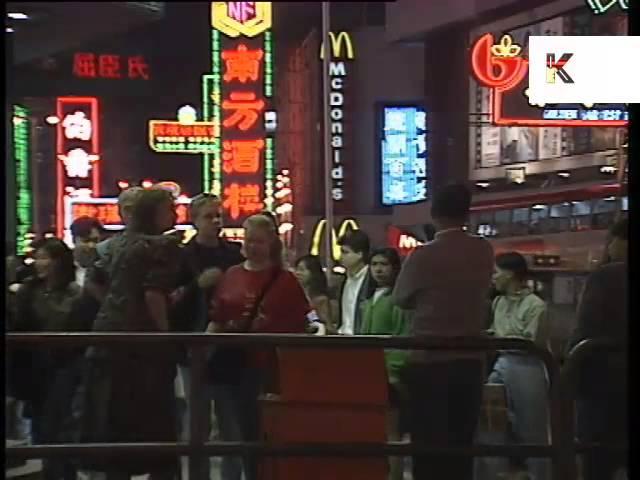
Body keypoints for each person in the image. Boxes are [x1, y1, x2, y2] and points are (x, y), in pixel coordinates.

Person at [392, 183, 494, 480]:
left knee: (428, 443)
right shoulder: (483, 250)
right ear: (467, 212)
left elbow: (401, 298)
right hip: (470, 360)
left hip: (429, 360)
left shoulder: (423, 255)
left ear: (435, 213)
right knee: (461, 442)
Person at [79, 188, 181, 480]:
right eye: (169, 209)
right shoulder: (162, 246)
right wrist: (165, 335)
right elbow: (153, 295)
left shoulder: (114, 245)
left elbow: (94, 282)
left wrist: (116, 305)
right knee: (156, 424)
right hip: (142, 349)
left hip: (106, 340)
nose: (175, 214)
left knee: (113, 425)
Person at [206, 214, 309, 480]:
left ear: (270, 243)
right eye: (249, 240)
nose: (253, 246)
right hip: (234, 365)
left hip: (270, 367)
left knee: (263, 433)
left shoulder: (286, 281)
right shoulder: (232, 275)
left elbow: (301, 324)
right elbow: (216, 319)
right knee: (237, 432)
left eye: (259, 242)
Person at [171, 193, 244, 458]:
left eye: (218, 216)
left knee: (229, 415)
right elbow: (172, 300)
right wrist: (196, 286)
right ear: (194, 221)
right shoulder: (183, 257)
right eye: (209, 216)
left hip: (228, 340)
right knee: (198, 412)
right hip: (194, 340)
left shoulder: (233, 254)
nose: (215, 221)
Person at [10, 238, 83, 480]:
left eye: (46, 258)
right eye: (38, 257)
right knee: (41, 427)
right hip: (34, 368)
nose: (41, 263)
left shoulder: (75, 293)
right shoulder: (28, 291)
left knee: (61, 427)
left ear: (60, 262)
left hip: (65, 367)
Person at [568, 218, 627, 480]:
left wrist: (570, 378)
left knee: (597, 464)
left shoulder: (606, 278)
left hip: (606, 388)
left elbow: (586, 329)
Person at [487, 252, 550, 480]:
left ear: (510, 274)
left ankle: (540, 475)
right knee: (491, 422)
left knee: (532, 428)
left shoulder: (535, 305)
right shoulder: (498, 302)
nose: (492, 278)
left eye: (496, 272)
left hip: (528, 367)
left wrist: (501, 338)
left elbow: (529, 342)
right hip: (502, 363)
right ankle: (492, 472)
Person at [360, 248, 411, 480]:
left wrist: (394, 370)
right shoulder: (369, 301)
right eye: (374, 264)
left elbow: (404, 337)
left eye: (384, 265)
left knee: (393, 432)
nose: (378, 270)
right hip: (371, 372)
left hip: (390, 374)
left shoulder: (398, 302)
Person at [337, 230, 373, 335]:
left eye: (345, 252)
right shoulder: (344, 280)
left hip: (362, 341)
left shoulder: (372, 280)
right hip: (344, 338)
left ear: (359, 254)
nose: (340, 257)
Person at [294, 254, 335, 333]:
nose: (297, 273)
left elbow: (329, 327)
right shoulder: (294, 297)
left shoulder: (321, 300)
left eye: (302, 270)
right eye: (296, 269)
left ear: (313, 272)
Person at [69, 216, 103, 288]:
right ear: (74, 240)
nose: (91, 245)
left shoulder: (107, 268)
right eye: (86, 241)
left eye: (95, 241)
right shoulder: (63, 268)